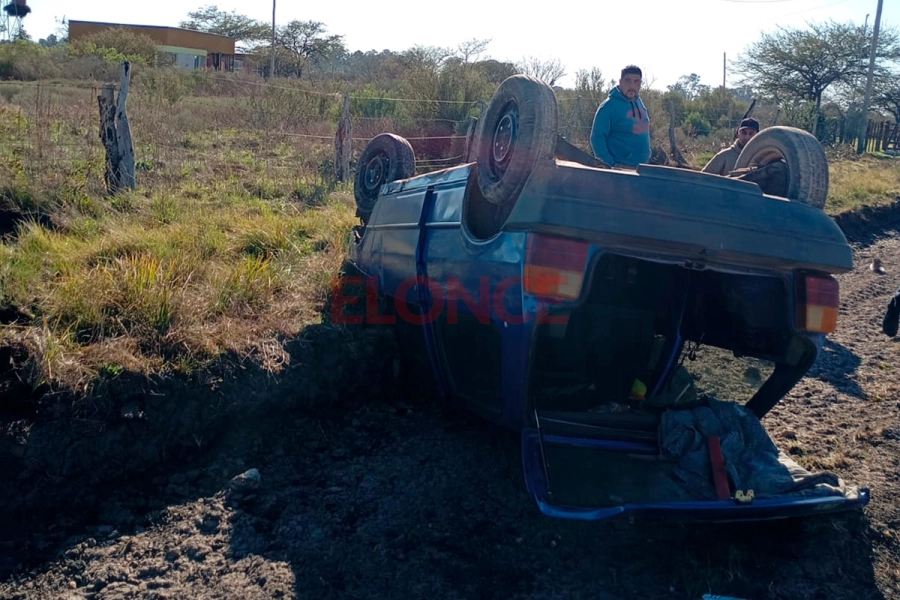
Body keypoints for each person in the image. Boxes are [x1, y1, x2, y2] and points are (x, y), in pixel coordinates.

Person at [590, 65, 651, 168]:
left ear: (640, 84)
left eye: (636, 82)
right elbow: (597, 137)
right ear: (620, 82)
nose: (632, 86)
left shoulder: (638, 102)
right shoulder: (609, 106)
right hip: (620, 168)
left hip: (641, 167)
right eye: (628, 81)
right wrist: (609, 165)